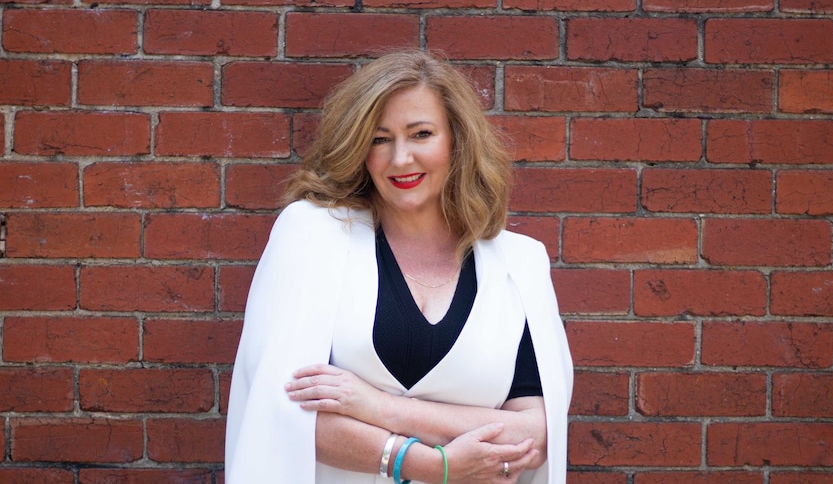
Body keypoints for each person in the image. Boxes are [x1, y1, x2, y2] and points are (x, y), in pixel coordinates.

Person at [225, 49, 573, 484]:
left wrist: (373, 405)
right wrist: (430, 464)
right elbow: (280, 406)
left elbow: (535, 434)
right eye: (379, 138)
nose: (400, 158)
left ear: (456, 141)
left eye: (421, 134)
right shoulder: (312, 235)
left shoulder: (520, 263)